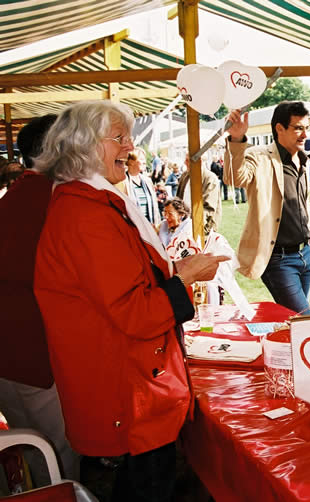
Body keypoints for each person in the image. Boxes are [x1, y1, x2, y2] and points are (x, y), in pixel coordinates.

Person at [32, 100, 228, 502]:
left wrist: (179, 267)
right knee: (146, 487)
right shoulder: (84, 214)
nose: (130, 147)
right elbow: (135, 312)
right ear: (85, 146)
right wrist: (186, 276)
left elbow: (125, 275)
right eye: (118, 137)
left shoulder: (90, 202)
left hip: (133, 383)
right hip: (129, 393)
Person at [0, 114, 81, 485]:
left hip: (11, 351)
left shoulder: (15, 196)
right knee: (59, 451)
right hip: (39, 350)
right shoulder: (57, 200)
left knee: (34, 448)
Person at [223, 101, 310, 314]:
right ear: (279, 128)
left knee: (293, 322)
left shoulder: (304, 159)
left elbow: (302, 202)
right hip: (278, 259)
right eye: (298, 128)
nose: (304, 134)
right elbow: (235, 178)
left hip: (306, 253)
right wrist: (236, 140)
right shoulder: (260, 156)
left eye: (307, 128)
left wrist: (309, 232)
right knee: (304, 319)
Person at [176, 157, 222, 235]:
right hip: (184, 227)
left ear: (199, 161)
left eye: (187, 160)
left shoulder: (210, 178)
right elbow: (178, 200)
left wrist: (196, 227)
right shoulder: (185, 176)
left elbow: (208, 208)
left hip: (202, 228)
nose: (184, 162)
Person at [125, 150, 160, 226]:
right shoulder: (123, 182)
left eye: (144, 159)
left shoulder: (147, 181)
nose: (144, 162)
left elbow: (155, 207)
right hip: (132, 227)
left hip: (150, 225)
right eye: (141, 159)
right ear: (131, 162)